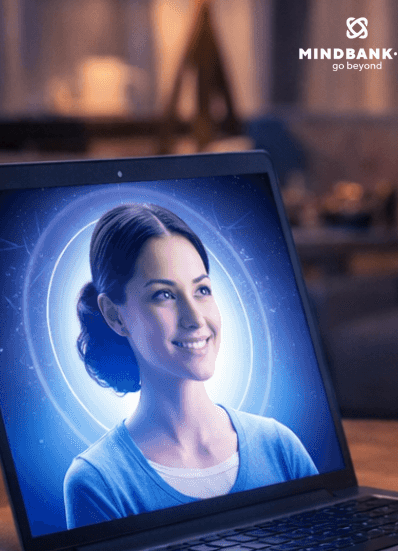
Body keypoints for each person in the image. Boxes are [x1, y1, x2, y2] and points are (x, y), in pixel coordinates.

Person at [64, 203, 317, 528]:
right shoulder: (99, 483)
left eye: (201, 290)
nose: (195, 319)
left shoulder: (279, 446)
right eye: (164, 295)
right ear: (115, 316)